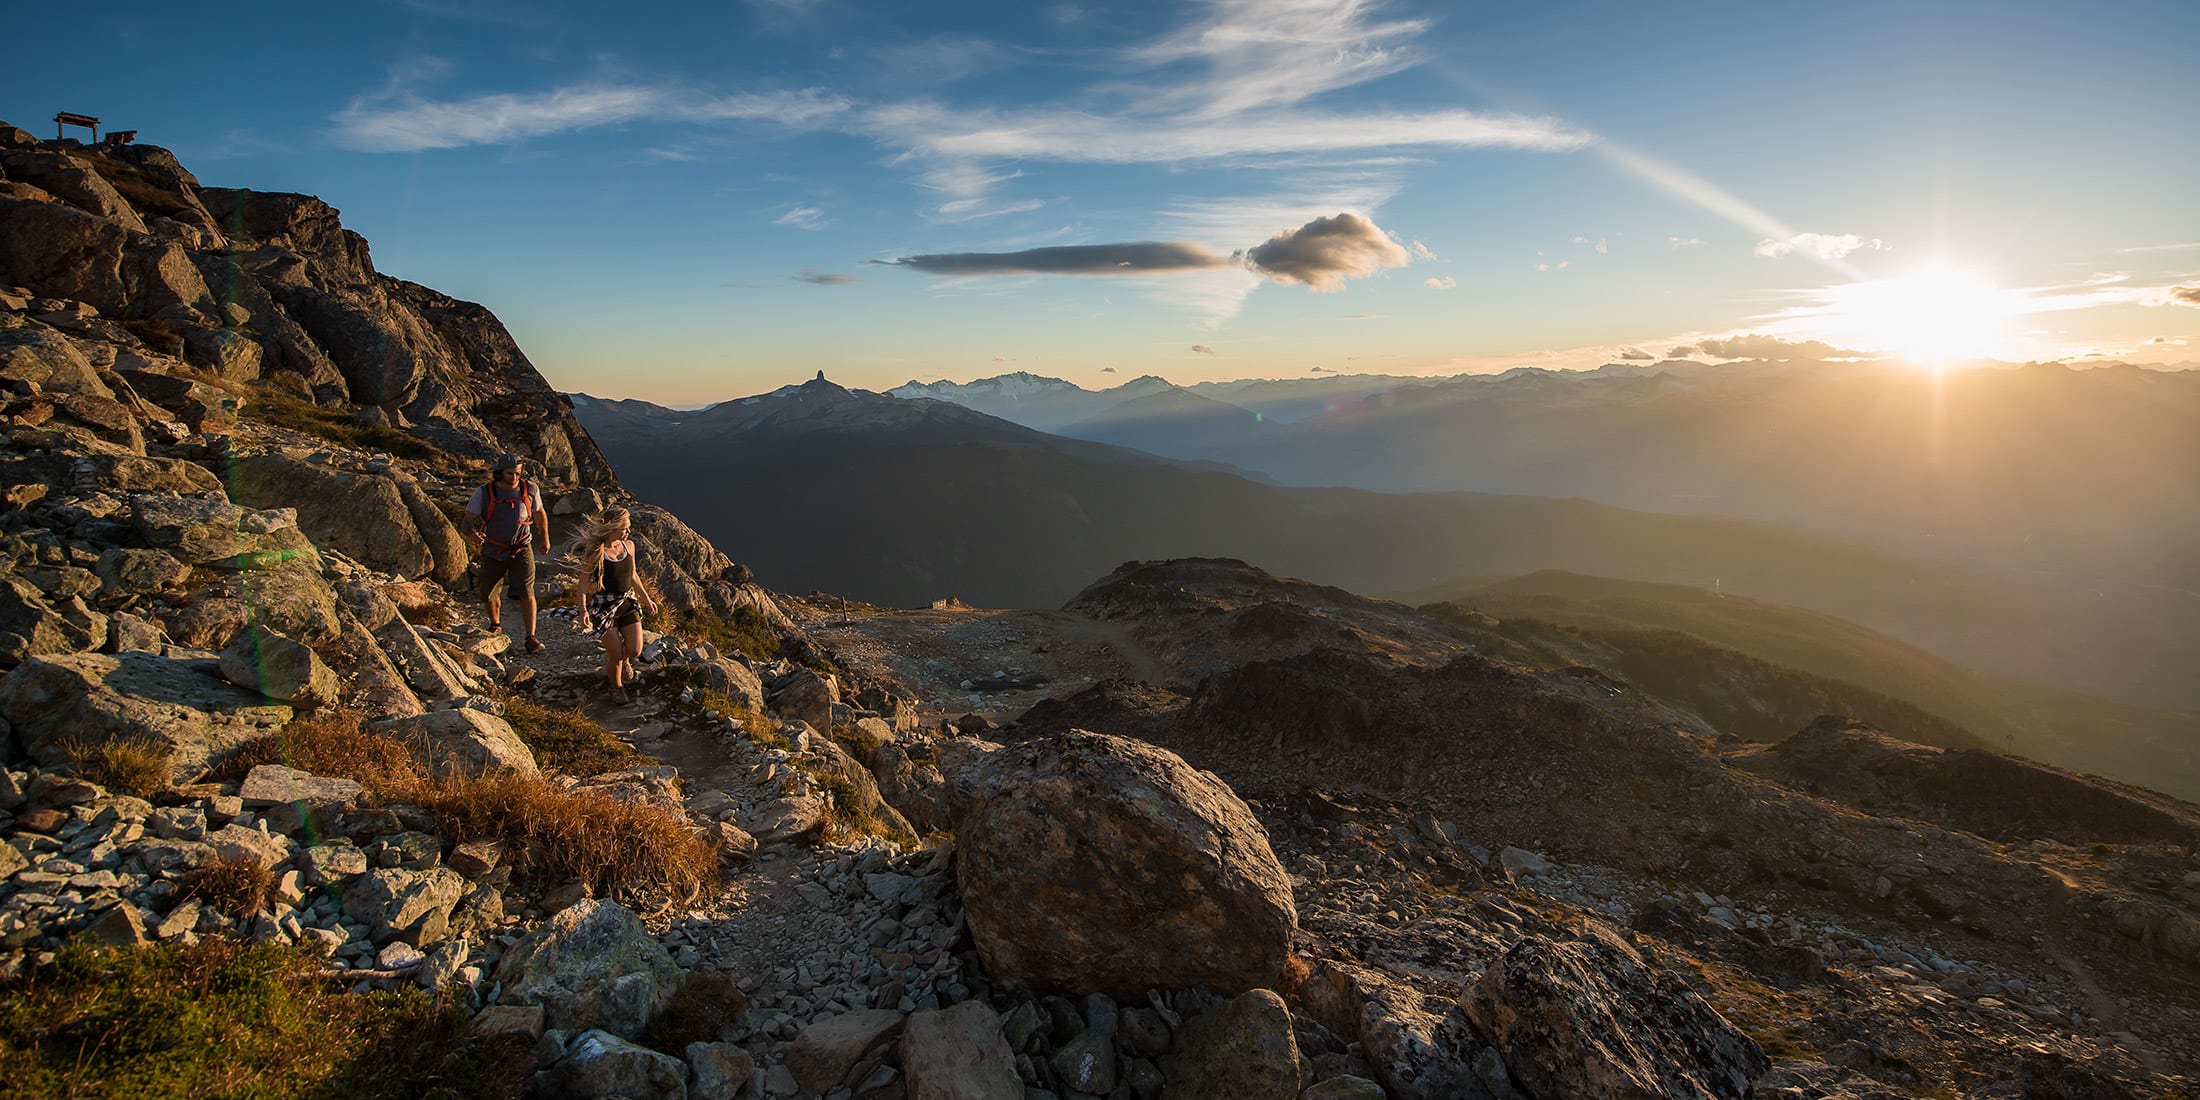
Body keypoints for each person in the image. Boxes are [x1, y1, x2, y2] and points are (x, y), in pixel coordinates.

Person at [463, 453, 550, 654]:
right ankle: (495, 624)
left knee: (527, 591)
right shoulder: (483, 493)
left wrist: (544, 537)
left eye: (518, 473)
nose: (514, 477)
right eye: (510, 473)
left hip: (521, 547)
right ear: (499, 473)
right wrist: (472, 535)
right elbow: (467, 522)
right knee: (488, 591)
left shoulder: (530, 489)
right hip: (492, 548)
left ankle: (531, 637)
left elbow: (539, 513)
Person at [570, 506, 660, 701]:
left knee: (634, 649)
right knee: (616, 653)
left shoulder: (630, 546)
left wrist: (646, 599)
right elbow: (583, 583)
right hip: (603, 607)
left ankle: (621, 664)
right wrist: (583, 610)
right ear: (612, 528)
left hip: (627, 602)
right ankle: (616, 687)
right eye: (624, 528)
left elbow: (633, 574)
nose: (628, 531)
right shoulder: (596, 553)